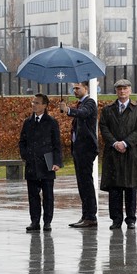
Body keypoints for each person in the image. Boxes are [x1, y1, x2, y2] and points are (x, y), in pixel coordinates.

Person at [99, 79, 137, 230]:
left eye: (125, 88)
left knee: (131, 187)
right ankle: (116, 219)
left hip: (131, 153)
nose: (122, 91)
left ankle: (131, 219)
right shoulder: (107, 110)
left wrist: (125, 143)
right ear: (116, 91)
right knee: (115, 188)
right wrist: (115, 143)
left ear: (130, 90)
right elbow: (104, 128)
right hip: (113, 153)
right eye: (119, 89)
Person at [19, 93, 62, 232]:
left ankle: (47, 221)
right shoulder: (28, 122)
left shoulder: (51, 122)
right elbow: (22, 142)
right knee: (33, 195)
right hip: (32, 163)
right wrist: (25, 155)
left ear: (44, 105)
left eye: (37, 103)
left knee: (48, 195)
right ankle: (34, 221)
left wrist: (56, 162)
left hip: (46, 164)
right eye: (33, 102)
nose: (34, 105)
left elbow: (57, 144)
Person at [59, 81, 99, 228]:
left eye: (77, 88)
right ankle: (86, 214)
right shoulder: (81, 104)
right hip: (79, 149)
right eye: (73, 88)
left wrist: (68, 110)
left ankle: (91, 216)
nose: (74, 91)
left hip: (86, 149)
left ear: (86, 88)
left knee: (86, 183)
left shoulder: (89, 102)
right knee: (82, 184)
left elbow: (84, 114)